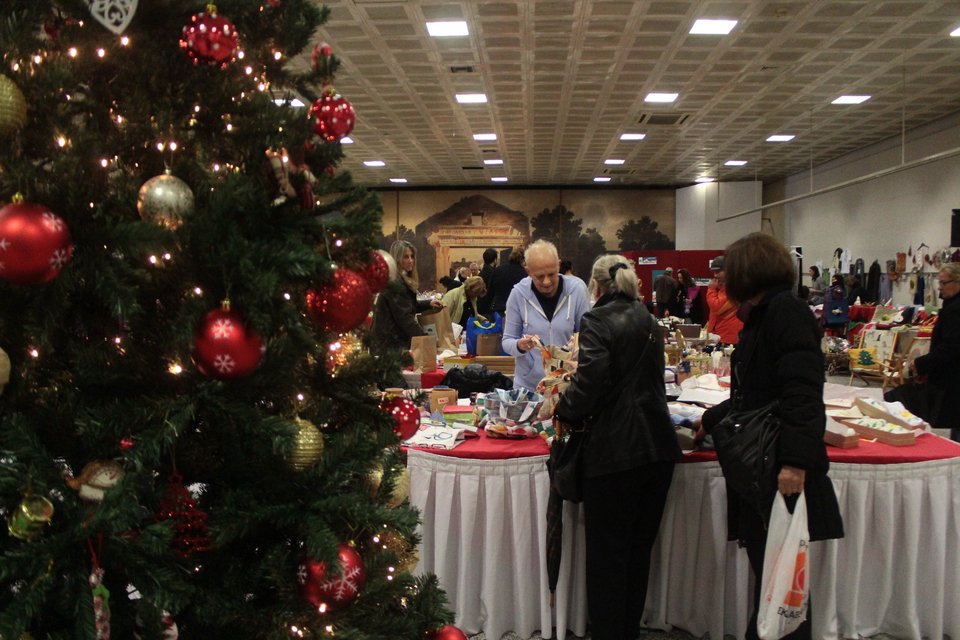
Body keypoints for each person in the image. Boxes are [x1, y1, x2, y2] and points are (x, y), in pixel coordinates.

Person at [698, 232, 843, 640]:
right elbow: (756, 392)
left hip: (780, 459)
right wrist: (712, 419)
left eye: (730, 269)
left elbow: (802, 393)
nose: (723, 278)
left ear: (749, 272)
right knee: (773, 570)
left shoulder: (785, 313)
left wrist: (796, 462)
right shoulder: (765, 313)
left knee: (784, 578)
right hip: (765, 459)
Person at [553, 254, 681, 640]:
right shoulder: (649, 320)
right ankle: (627, 632)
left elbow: (590, 383)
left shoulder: (596, 320)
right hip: (658, 448)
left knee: (607, 559)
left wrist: (563, 407)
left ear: (595, 287)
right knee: (637, 554)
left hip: (614, 453)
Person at [885, 262, 960, 441]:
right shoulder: (951, 305)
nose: (940, 288)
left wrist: (920, 363)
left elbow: (951, 348)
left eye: (943, 283)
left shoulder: (956, 310)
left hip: (953, 377)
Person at [502, 240, 590, 392]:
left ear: (558, 265)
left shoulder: (577, 290)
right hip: (529, 387)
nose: (547, 282)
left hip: (568, 386)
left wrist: (577, 346)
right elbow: (507, 341)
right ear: (528, 271)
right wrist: (519, 346)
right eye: (539, 276)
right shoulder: (517, 294)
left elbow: (588, 337)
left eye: (551, 274)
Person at [370, 240, 442, 352]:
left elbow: (406, 305)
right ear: (397, 259)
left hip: (389, 342)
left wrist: (428, 303)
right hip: (390, 345)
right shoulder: (396, 283)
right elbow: (405, 318)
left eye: (412, 257)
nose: (411, 261)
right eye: (406, 257)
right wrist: (426, 338)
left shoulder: (399, 280)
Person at [705, 256, 743, 344]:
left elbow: (717, 308)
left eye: (718, 272)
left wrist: (711, 290)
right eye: (714, 272)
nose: (715, 275)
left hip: (729, 338)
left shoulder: (734, 288)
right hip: (721, 335)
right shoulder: (726, 288)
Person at [487, 246, 527, 316]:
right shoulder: (524, 273)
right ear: (523, 259)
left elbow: (490, 291)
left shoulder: (498, 270)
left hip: (498, 308)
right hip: (517, 309)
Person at [477, 247, 498, 315]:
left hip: (480, 307)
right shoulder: (494, 273)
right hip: (490, 308)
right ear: (495, 260)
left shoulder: (480, 274)